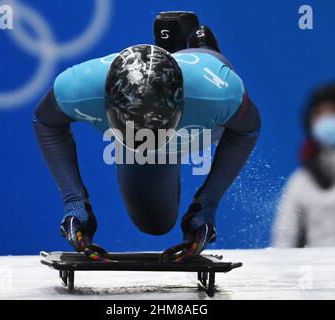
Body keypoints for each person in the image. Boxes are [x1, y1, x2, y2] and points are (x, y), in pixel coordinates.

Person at [33, 12, 261, 261]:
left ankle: (200, 46)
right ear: (106, 103)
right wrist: (74, 201)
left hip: (200, 100)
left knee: (212, 77)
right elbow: (45, 122)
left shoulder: (218, 93)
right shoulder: (79, 88)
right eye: (135, 127)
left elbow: (247, 129)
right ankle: (172, 48)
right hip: (174, 122)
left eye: (155, 128)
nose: (146, 139)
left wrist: (207, 204)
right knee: (155, 222)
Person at [272, 83, 335, 248]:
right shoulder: (301, 181)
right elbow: (284, 242)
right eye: (319, 113)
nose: (327, 119)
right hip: (315, 272)